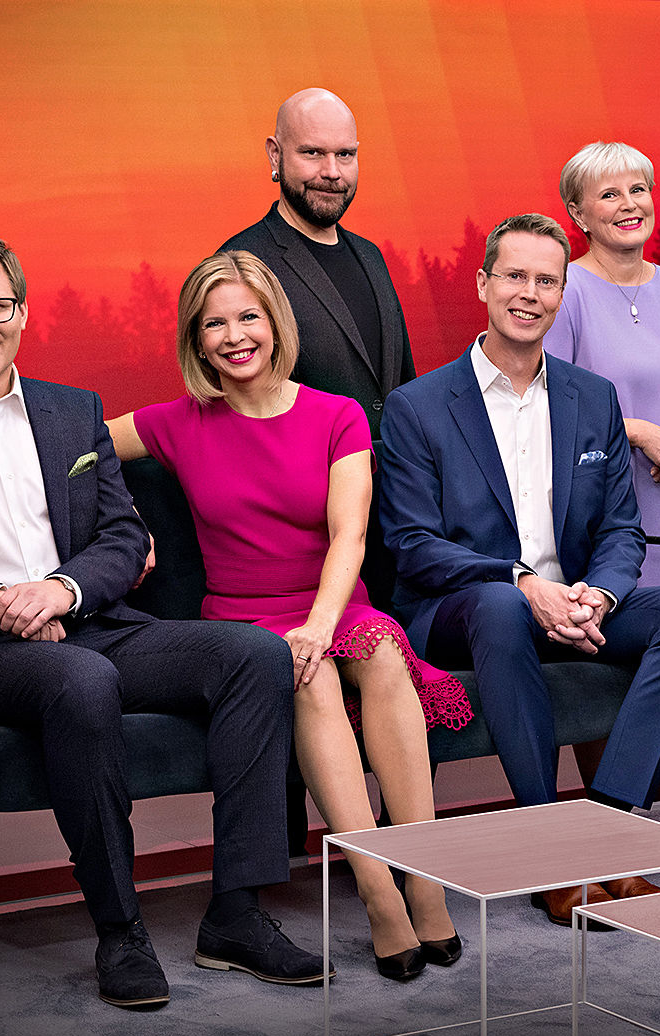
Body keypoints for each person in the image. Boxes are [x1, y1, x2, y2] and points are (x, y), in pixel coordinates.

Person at [0, 235, 325, 1010]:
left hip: (88, 621)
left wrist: (62, 591)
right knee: (81, 678)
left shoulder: (74, 410)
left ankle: (236, 913)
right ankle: (118, 927)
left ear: (22, 312)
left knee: (253, 654)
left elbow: (123, 536)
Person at [106, 251, 469, 982]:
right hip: (244, 622)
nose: (234, 336)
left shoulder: (337, 415)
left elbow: (349, 536)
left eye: (249, 317)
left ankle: (425, 881)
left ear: (275, 322)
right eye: (214, 324)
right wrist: (125, 522)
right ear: (195, 339)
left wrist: (320, 623)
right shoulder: (176, 422)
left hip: (332, 601)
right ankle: (378, 892)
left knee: (381, 653)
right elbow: (69, 455)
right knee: (310, 676)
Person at [377, 214, 660, 928]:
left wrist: (600, 595)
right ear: (483, 285)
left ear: (563, 294)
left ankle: (609, 832)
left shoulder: (591, 396)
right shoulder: (418, 406)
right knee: (502, 606)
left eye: (546, 281)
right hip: (467, 609)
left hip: (573, 602)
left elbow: (621, 529)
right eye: (514, 276)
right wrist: (521, 580)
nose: (529, 294)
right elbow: (412, 544)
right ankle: (550, 853)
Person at [221, 87, 416, 607]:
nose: (332, 171)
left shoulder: (370, 256)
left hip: (394, 522)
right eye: (312, 153)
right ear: (275, 154)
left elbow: (402, 384)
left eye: (345, 154)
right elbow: (231, 415)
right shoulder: (243, 264)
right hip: (305, 538)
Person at [544, 141, 660, 601]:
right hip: (606, 509)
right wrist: (640, 432)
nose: (629, 204)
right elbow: (547, 404)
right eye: (610, 194)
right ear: (578, 213)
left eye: (638, 189)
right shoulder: (564, 294)